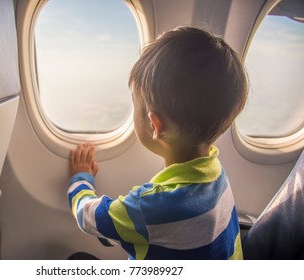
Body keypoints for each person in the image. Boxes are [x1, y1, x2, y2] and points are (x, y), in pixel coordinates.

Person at [67, 26, 248, 260]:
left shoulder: (147, 208)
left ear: (155, 125)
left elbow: (87, 216)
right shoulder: (217, 176)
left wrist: (80, 178)